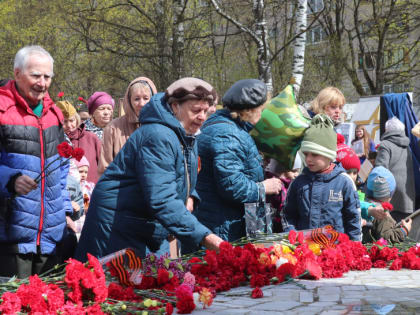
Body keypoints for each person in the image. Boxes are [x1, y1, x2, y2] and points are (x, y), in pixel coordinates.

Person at [74, 77, 224, 261]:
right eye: (196, 110)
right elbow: (162, 198)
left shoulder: (186, 134)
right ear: (175, 107)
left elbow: (183, 176)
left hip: (143, 224)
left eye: (205, 111)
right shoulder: (158, 136)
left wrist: (190, 196)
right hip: (117, 227)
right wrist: (209, 239)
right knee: (116, 285)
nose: (202, 116)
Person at [0, 45, 72, 278]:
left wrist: (66, 210)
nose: (42, 83)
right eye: (35, 75)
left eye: (47, 76)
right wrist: (9, 180)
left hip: (50, 236)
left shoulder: (55, 115)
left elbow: (62, 169)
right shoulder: (2, 110)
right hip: (11, 235)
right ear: (17, 73)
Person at [192, 79, 282, 242]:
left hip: (212, 220)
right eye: (261, 109)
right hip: (222, 227)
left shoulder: (221, 126)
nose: (262, 114)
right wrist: (263, 188)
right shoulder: (229, 135)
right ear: (250, 110)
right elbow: (231, 185)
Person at [283, 114, 361, 241]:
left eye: (314, 154)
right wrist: (292, 236)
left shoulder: (344, 182)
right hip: (305, 250)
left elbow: (353, 220)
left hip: (336, 252)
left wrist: (355, 247)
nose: (308, 159)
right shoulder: (298, 182)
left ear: (329, 155)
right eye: (306, 154)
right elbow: (288, 215)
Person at [98, 77, 157, 175]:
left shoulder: (161, 127)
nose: (141, 103)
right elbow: (105, 168)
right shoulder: (113, 128)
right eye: (136, 99)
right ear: (129, 101)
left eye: (146, 98)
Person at [375, 117, 415, 222]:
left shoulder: (385, 144)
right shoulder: (407, 146)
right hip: (408, 195)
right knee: (405, 231)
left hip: (392, 196)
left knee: (390, 233)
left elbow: (380, 170)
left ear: (387, 130)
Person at [363, 166, 412, 243]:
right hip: (377, 253)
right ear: (389, 194)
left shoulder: (365, 206)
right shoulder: (382, 214)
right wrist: (404, 230)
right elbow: (386, 239)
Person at [57, 100, 101, 183]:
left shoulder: (92, 138)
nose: (69, 126)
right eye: (64, 122)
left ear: (77, 119)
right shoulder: (54, 140)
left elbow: (103, 166)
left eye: (71, 120)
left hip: (90, 190)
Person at [265, 155, 301, 233]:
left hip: (285, 224)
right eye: (293, 171)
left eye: (298, 171)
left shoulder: (291, 183)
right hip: (275, 224)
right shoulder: (276, 184)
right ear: (282, 170)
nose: (296, 174)